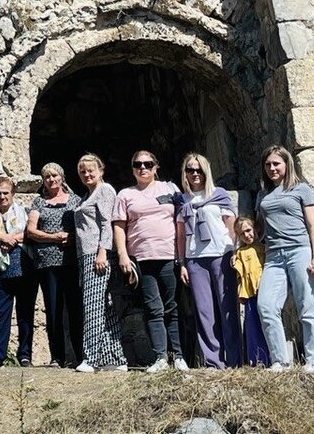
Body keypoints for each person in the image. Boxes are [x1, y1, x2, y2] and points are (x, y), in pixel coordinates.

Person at [112, 150, 187, 373]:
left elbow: (182, 220)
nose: (143, 168)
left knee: (172, 307)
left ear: (156, 167)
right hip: (142, 258)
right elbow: (119, 226)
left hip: (169, 255)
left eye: (147, 164)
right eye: (138, 164)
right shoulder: (125, 194)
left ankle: (179, 356)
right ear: (133, 169)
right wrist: (123, 255)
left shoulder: (170, 189)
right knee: (153, 308)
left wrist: (182, 257)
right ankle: (161, 357)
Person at [256, 145, 314, 373]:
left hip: (299, 251)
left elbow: (313, 225)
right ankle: (280, 361)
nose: (272, 168)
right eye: (268, 165)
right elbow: (260, 228)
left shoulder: (301, 189)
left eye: (276, 163)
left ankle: (313, 362)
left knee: (307, 306)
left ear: (287, 164)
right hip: (273, 256)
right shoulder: (262, 194)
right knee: (266, 306)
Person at [175, 153, 240, 369]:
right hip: (195, 259)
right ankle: (213, 362)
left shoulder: (219, 195)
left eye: (199, 170)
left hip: (221, 255)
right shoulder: (182, 200)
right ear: (185, 173)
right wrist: (182, 263)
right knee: (204, 312)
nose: (195, 174)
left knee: (227, 308)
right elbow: (180, 234)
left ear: (206, 171)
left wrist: (235, 252)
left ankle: (234, 359)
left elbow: (231, 225)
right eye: (190, 170)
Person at [72, 154, 127, 373]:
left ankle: (91, 358)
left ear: (101, 170)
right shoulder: (87, 195)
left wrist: (103, 252)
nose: (87, 174)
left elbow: (107, 223)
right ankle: (116, 358)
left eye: (90, 170)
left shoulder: (105, 190)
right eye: (82, 171)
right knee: (105, 307)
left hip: (97, 255)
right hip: (86, 255)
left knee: (92, 307)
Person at [26, 162, 83, 368]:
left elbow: (84, 227)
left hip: (70, 261)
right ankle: (57, 356)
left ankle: (80, 355)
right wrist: (54, 237)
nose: (51, 180)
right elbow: (31, 231)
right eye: (47, 177)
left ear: (62, 177)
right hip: (47, 263)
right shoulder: (39, 202)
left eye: (54, 175)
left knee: (75, 308)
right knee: (53, 309)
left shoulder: (75, 200)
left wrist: (72, 237)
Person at [0, 175, 35, 368]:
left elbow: (31, 233)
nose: (2, 197)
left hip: (24, 269)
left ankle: (25, 355)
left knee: (25, 314)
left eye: (5, 193)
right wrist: (2, 237)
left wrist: (13, 239)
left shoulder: (25, 213)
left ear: (13, 193)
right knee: (0, 314)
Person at [232, 216, 270, 367]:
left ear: (256, 229)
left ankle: (271, 358)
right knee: (252, 327)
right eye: (242, 234)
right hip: (250, 295)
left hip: (264, 291)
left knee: (267, 323)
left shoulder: (264, 248)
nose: (247, 235)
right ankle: (257, 360)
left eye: (248, 230)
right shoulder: (240, 253)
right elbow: (240, 274)